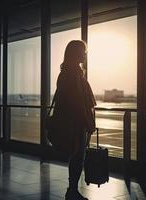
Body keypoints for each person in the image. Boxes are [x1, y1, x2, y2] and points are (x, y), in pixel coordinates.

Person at [54, 40, 96, 200]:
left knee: (77, 157)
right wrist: (88, 122)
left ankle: (72, 189)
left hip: (76, 121)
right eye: (83, 51)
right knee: (78, 157)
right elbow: (78, 102)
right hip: (77, 122)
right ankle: (72, 190)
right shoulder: (73, 75)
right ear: (75, 53)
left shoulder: (69, 73)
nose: (85, 55)